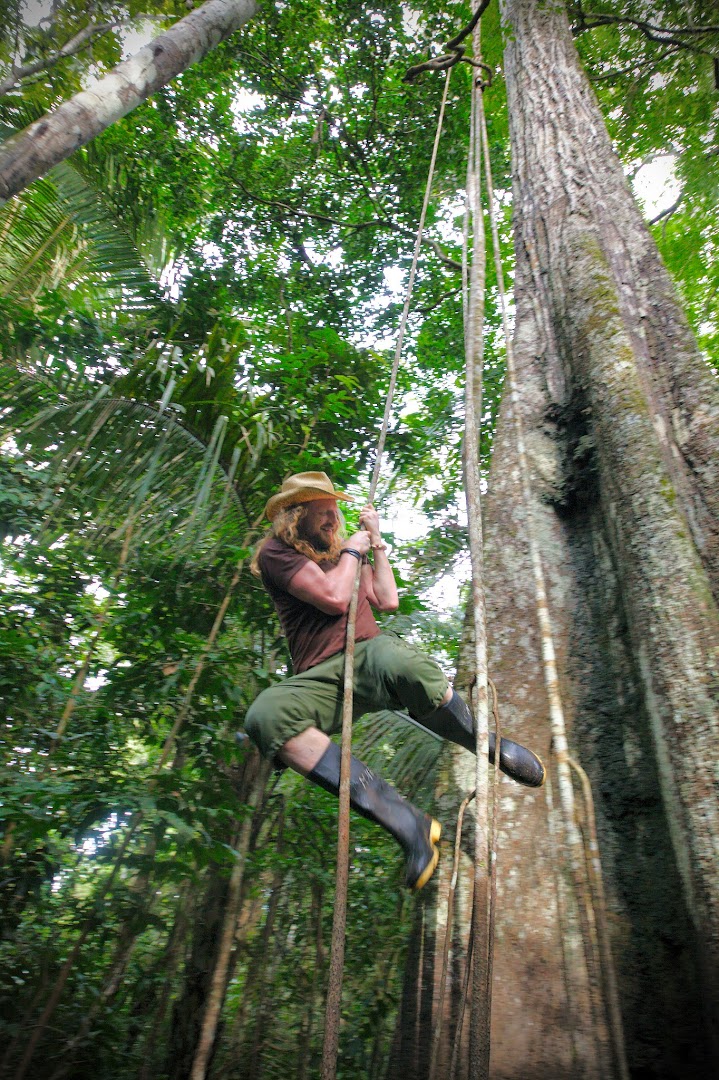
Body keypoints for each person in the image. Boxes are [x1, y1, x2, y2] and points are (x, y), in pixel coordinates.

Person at [245, 471, 545, 891]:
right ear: (298, 515)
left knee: (400, 661)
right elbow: (332, 597)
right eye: (324, 512)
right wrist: (353, 548)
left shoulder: (345, 552)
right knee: (265, 715)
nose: (334, 518)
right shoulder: (278, 552)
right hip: (321, 676)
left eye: (335, 510)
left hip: (369, 654)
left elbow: (386, 600)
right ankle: (410, 824)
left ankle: (484, 742)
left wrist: (376, 542)